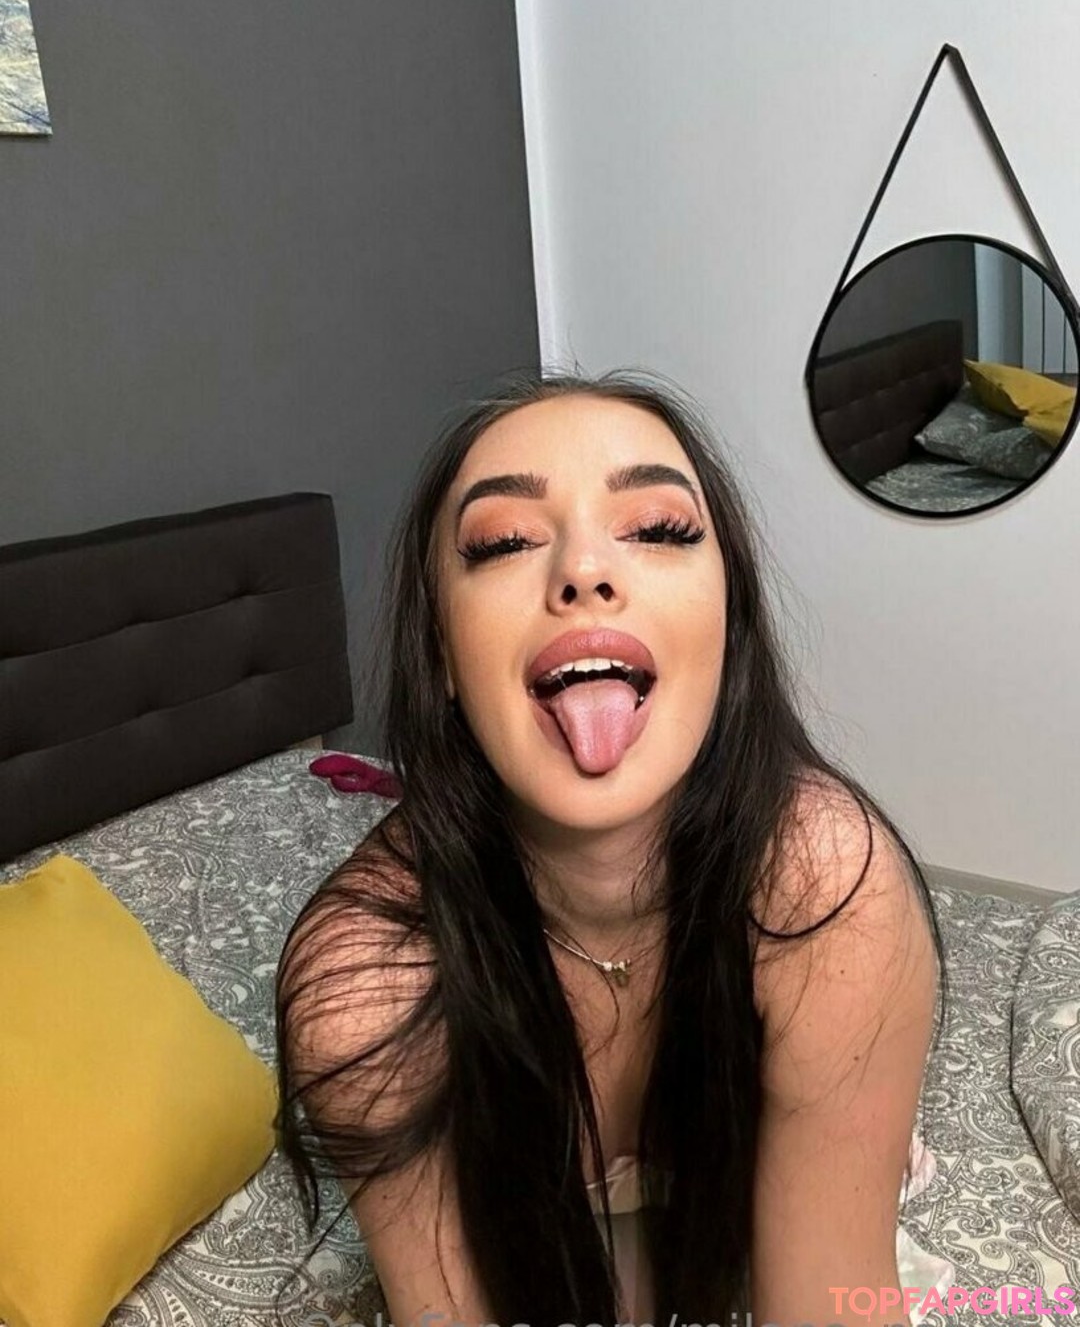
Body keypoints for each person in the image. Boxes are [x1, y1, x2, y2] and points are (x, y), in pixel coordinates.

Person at [273, 369, 951, 1327]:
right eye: (504, 542)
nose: (585, 569)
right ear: (444, 660)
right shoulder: (364, 989)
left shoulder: (831, 888)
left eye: (659, 529)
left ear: (728, 624)